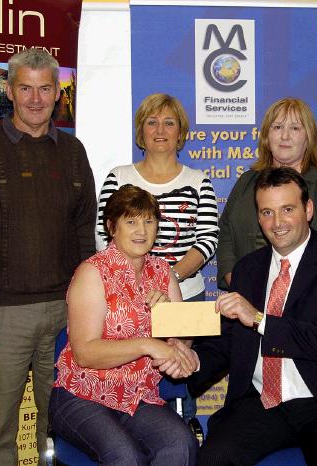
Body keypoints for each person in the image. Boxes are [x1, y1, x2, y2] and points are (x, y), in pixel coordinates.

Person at [0, 49, 97, 466]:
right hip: (2, 314)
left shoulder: (72, 151)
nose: (35, 99)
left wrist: (90, 305)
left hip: (68, 313)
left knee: (68, 421)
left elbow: (86, 232)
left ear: (57, 93)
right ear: (9, 91)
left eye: (45, 88)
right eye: (26, 88)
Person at [189, 167, 317, 465]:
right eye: (266, 212)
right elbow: (229, 343)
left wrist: (258, 318)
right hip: (262, 402)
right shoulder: (247, 269)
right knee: (214, 458)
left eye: (287, 209)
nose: (277, 223)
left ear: (308, 209)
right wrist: (191, 360)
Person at [49, 185, 198, 465]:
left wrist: (172, 325)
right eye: (130, 221)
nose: (141, 230)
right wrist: (147, 344)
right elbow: (85, 353)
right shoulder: (92, 272)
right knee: (125, 457)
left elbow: (182, 341)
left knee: (181, 445)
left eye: (148, 221)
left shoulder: (163, 272)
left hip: (138, 395)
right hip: (83, 394)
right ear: (111, 226)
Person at [95, 93, 218, 420]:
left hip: (184, 299)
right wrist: (136, 286)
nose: (160, 129)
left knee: (178, 376)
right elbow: (102, 236)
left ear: (181, 132)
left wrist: (167, 280)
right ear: (141, 131)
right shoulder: (119, 177)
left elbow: (207, 240)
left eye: (169, 122)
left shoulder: (197, 181)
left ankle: (182, 436)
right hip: (125, 298)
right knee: (129, 376)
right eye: (152, 122)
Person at [216, 97, 317, 289]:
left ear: (309, 137)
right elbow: (225, 234)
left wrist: (286, 293)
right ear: (266, 137)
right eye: (277, 127)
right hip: (246, 296)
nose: (285, 136)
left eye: (295, 128)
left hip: (308, 299)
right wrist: (240, 284)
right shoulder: (247, 182)